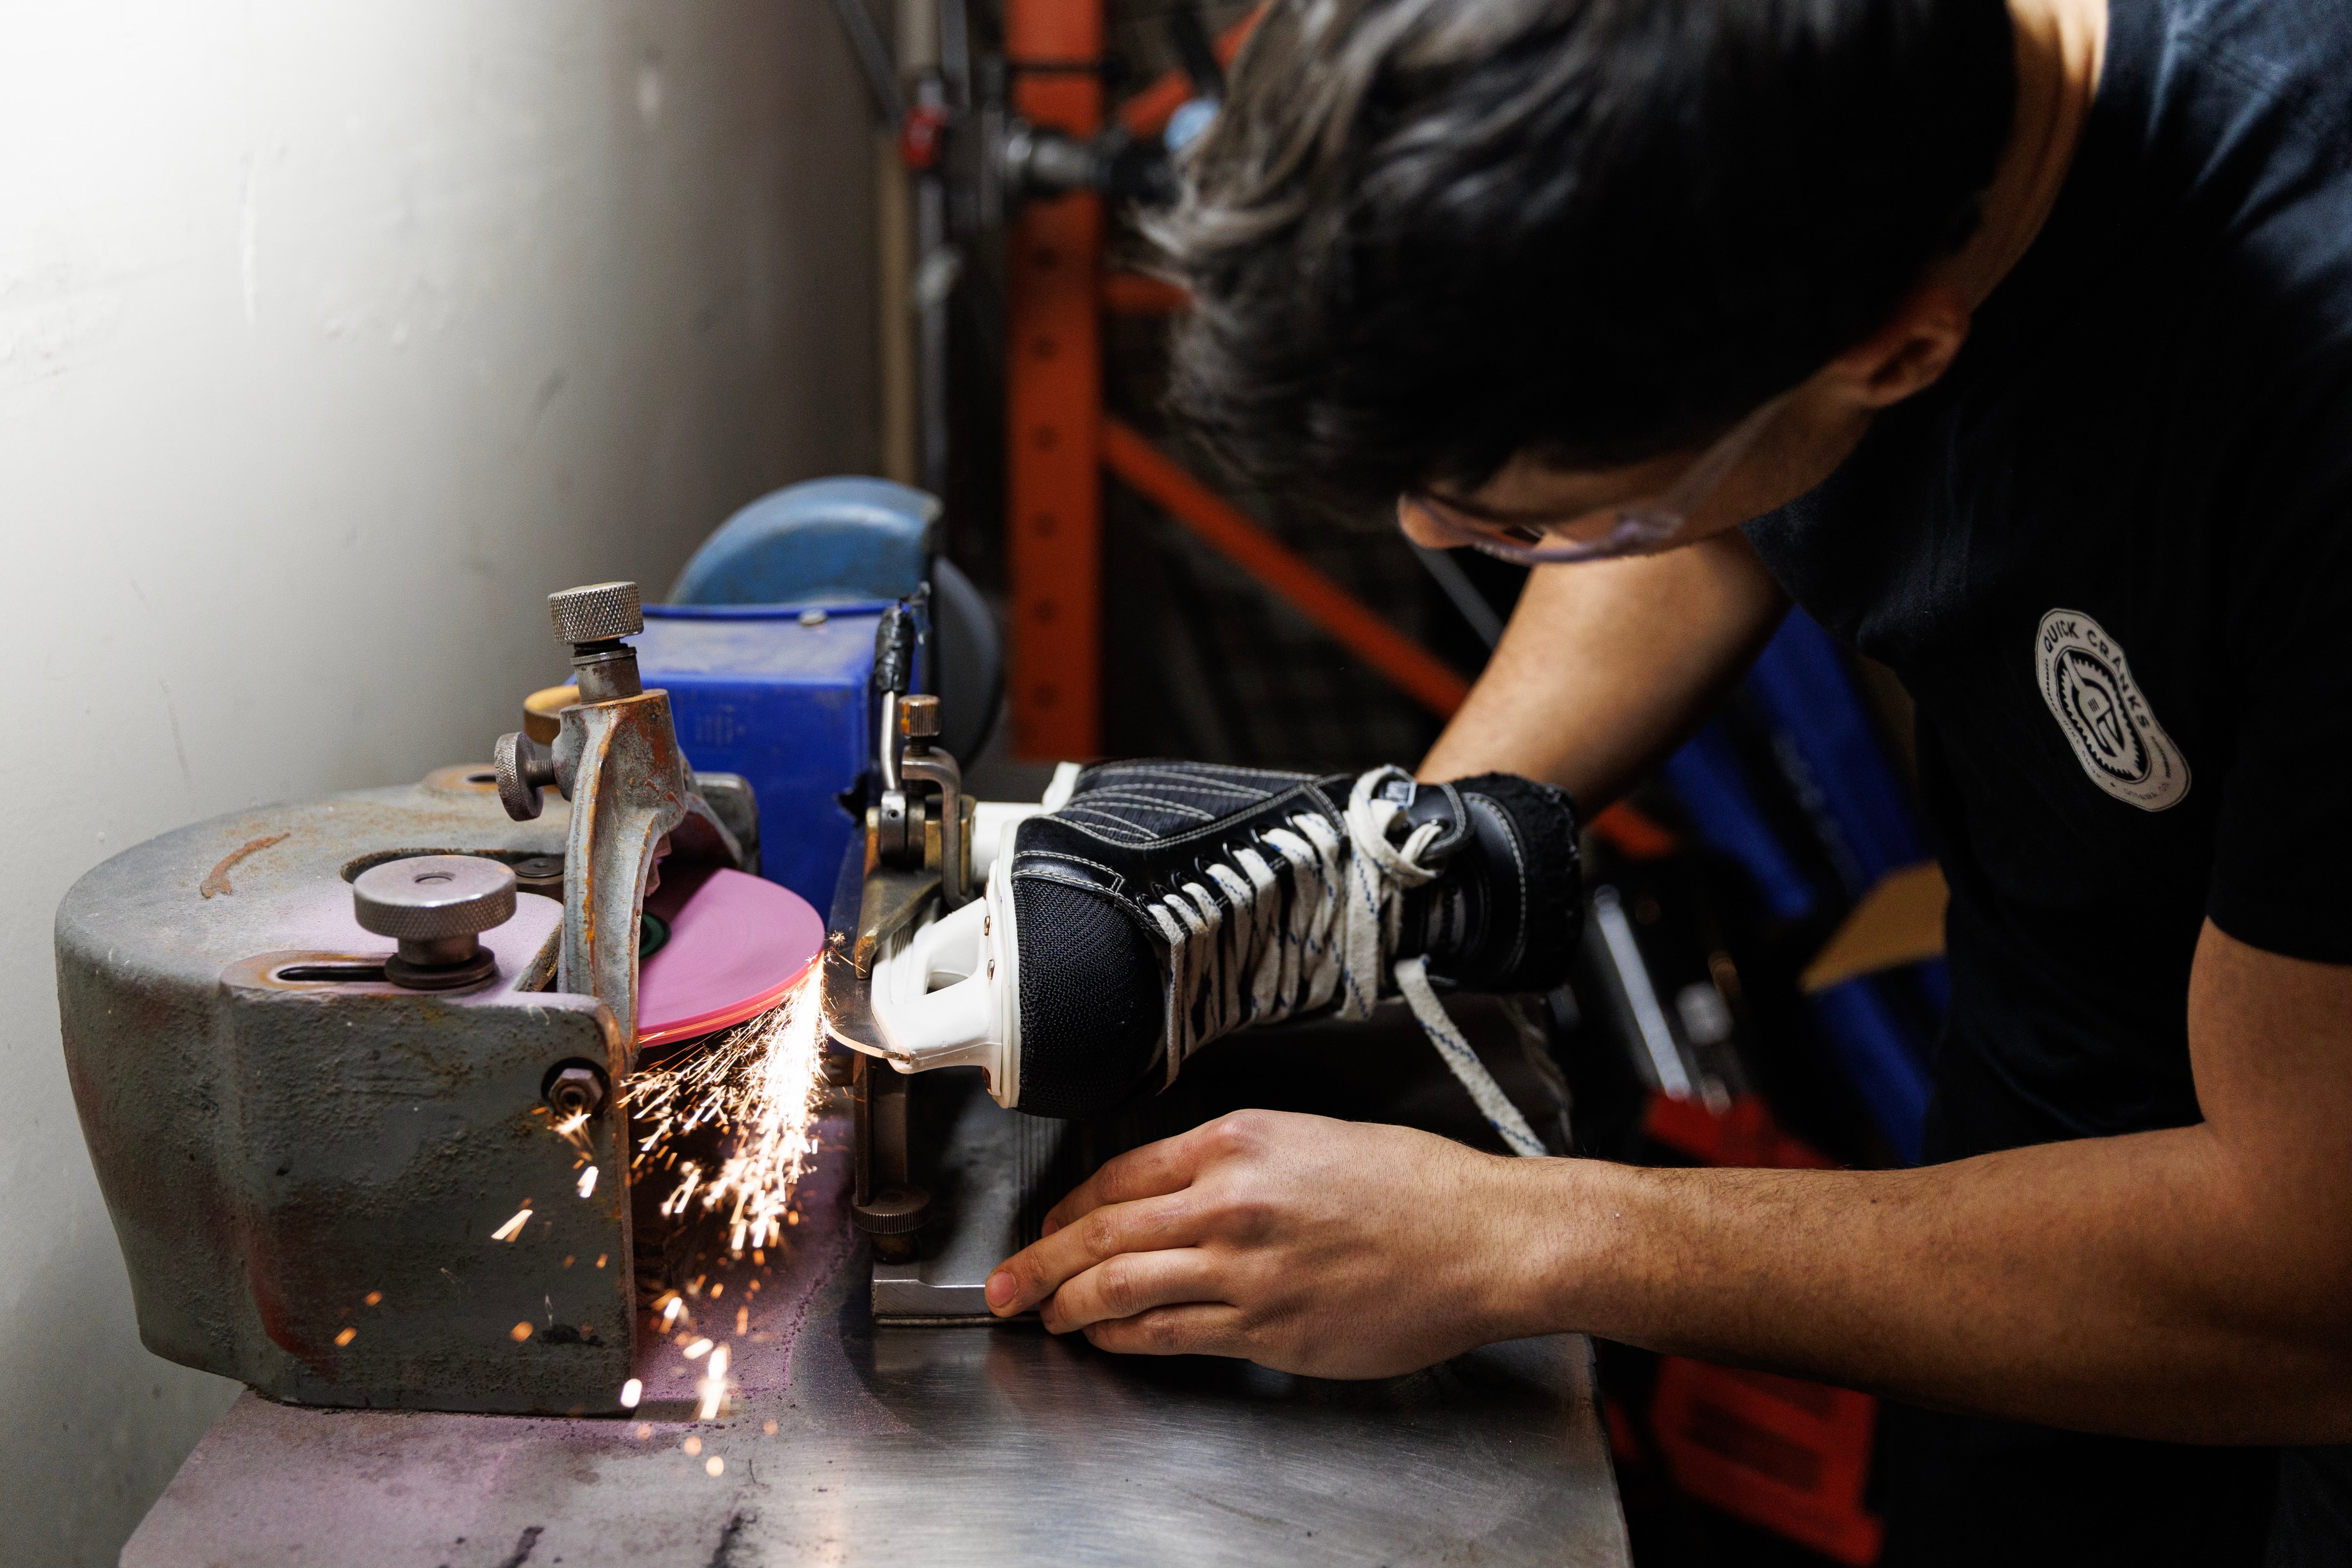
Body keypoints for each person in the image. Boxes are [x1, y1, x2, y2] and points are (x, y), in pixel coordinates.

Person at [979, 0, 2352, 1561]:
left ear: (1897, 348)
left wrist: (1534, 1235)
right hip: (2041, 1112)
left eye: (1508, 519)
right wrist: (1388, 864)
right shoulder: (1784, 130)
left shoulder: (2305, 370)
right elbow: (1697, 502)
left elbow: (2304, 1267)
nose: (1438, 543)